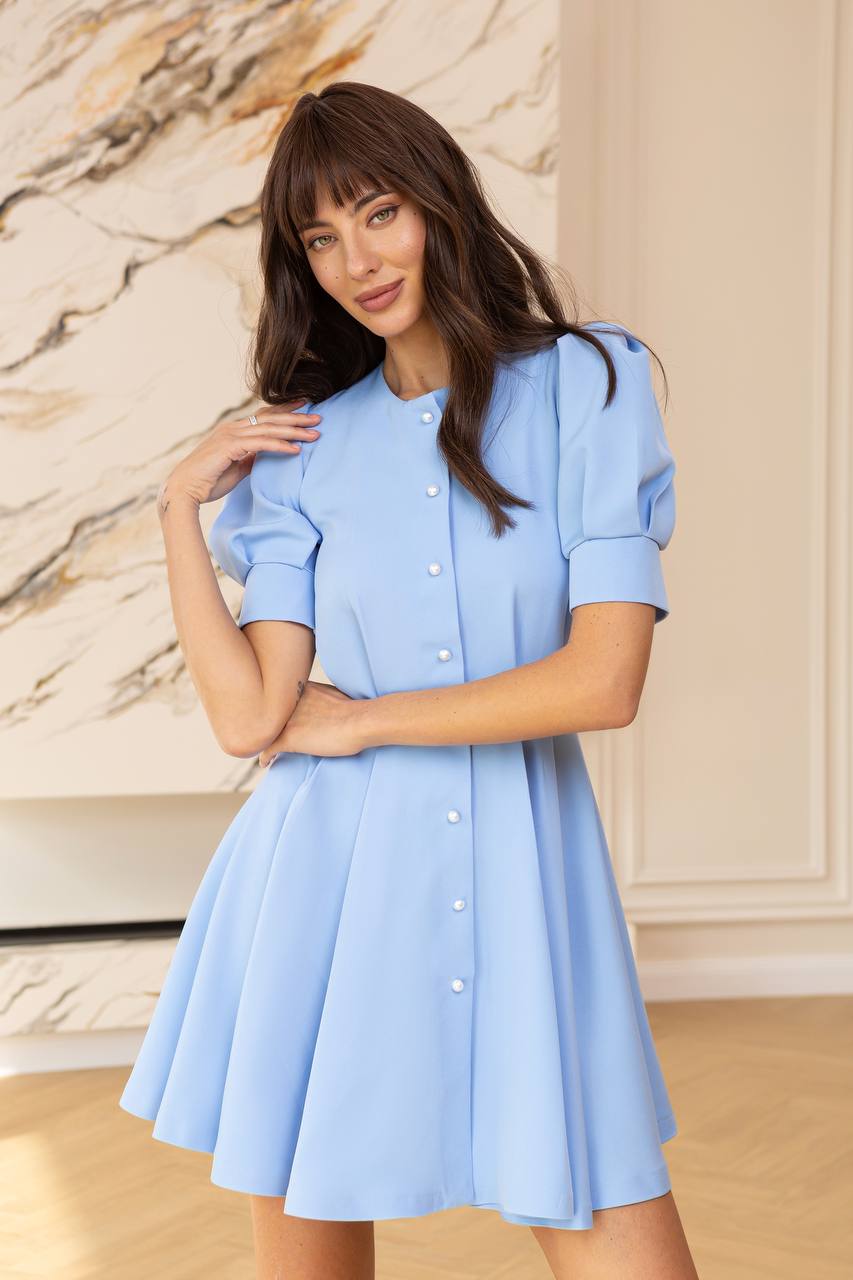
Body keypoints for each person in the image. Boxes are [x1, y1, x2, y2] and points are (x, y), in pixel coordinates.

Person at [119, 81, 699, 1280]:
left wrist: (367, 720)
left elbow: (603, 679)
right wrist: (179, 505)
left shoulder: (589, 384)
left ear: (437, 203)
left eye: (376, 213)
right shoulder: (304, 455)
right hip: (323, 884)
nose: (353, 261)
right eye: (318, 240)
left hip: (527, 868)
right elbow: (251, 714)